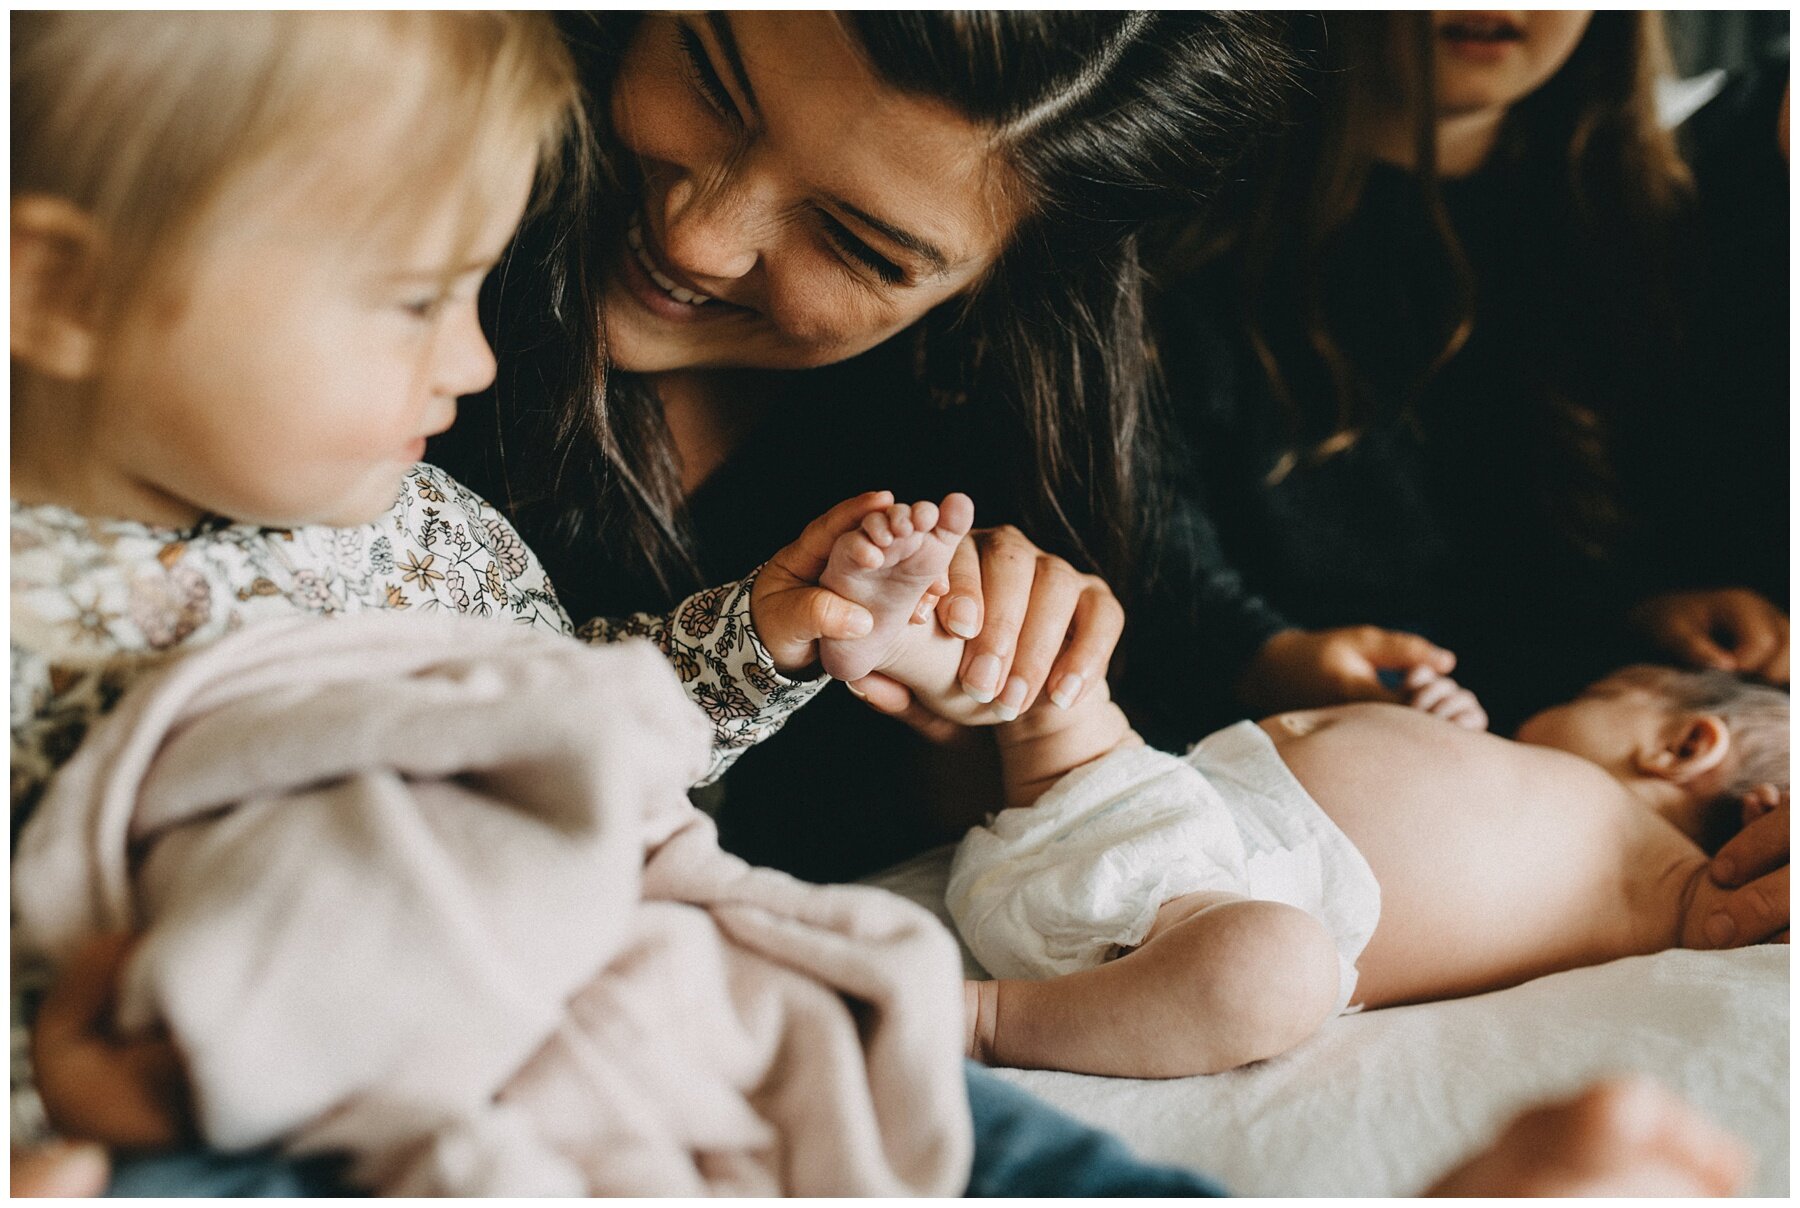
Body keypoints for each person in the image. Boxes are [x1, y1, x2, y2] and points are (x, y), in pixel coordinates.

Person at [8, 10, 951, 1191]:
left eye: (474, 292)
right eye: (416, 302)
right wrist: (46, 1111)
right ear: (62, 290)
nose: (474, 361)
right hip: (243, 1102)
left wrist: (763, 637)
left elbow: (563, 734)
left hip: (575, 1023)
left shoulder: (423, 528)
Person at [431, 10, 1303, 881]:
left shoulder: (964, 446)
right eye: (711, 82)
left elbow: (889, 858)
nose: (700, 236)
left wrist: (991, 712)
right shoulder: (380, 201)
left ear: (994, 292)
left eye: (855, 244)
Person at [805, 515, 1786, 1080]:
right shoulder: (1522, 773)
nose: (1549, 711)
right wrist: (1435, 720)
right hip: (1138, 800)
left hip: (1197, 924)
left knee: (1284, 973)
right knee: (1052, 684)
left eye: (1590, 700)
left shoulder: (1676, 885)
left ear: (1684, 742)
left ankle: (984, 1019)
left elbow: (1755, 917)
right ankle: (892, 622)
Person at [1129, 10, 1787, 742]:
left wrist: (1651, 604)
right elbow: (1132, 504)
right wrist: (1257, 654)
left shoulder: (1654, 223)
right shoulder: (1171, 220)